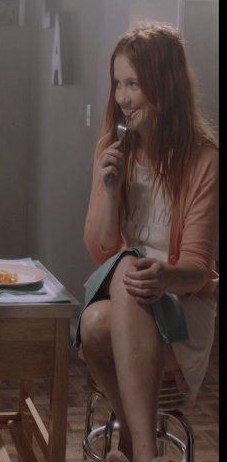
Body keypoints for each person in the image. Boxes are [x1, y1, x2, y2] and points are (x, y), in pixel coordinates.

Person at [78, 23, 219, 462]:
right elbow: (102, 250)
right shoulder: (112, 149)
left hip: (183, 303)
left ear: (165, 85)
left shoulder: (203, 160)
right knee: (93, 322)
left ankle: (138, 450)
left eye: (134, 84)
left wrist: (164, 276)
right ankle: (142, 444)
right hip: (129, 299)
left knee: (128, 268)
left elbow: (198, 270)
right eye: (118, 83)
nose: (122, 97)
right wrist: (111, 189)